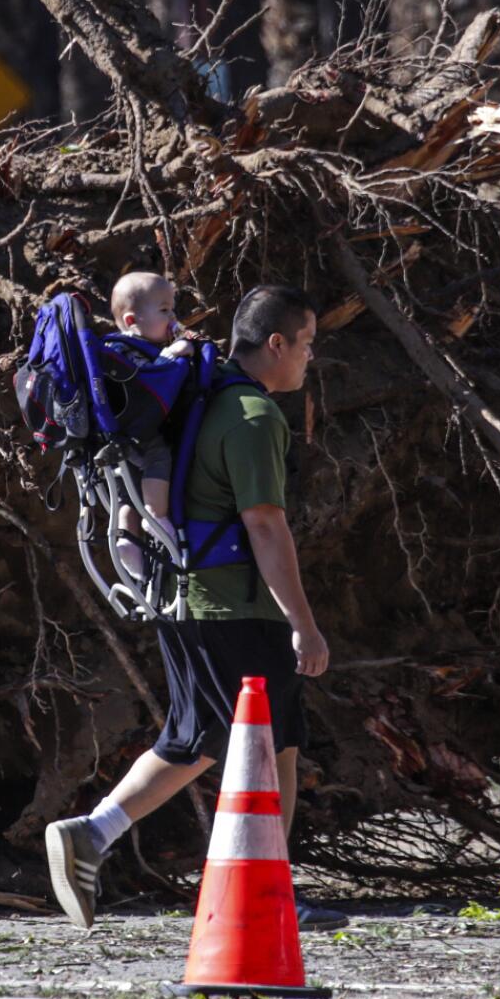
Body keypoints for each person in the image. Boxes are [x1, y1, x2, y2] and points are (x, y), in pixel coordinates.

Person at [45, 284, 346, 931]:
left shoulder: (201, 404)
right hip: (231, 606)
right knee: (238, 741)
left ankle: (103, 840)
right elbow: (265, 526)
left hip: (186, 598)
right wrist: (305, 625)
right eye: (308, 344)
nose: (310, 358)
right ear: (277, 344)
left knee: (239, 739)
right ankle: (252, 894)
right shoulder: (252, 416)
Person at [105, 271, 193, 581]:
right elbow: (147, 384)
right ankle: (157, 516)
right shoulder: (126, 352)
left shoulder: (115, 349)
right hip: (139, 433)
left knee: (128, 493)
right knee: (160, 457)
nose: (173, 317)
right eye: (165, 310)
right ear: (131, 321)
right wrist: (172, 355)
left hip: (120, 437)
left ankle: (126, 541)